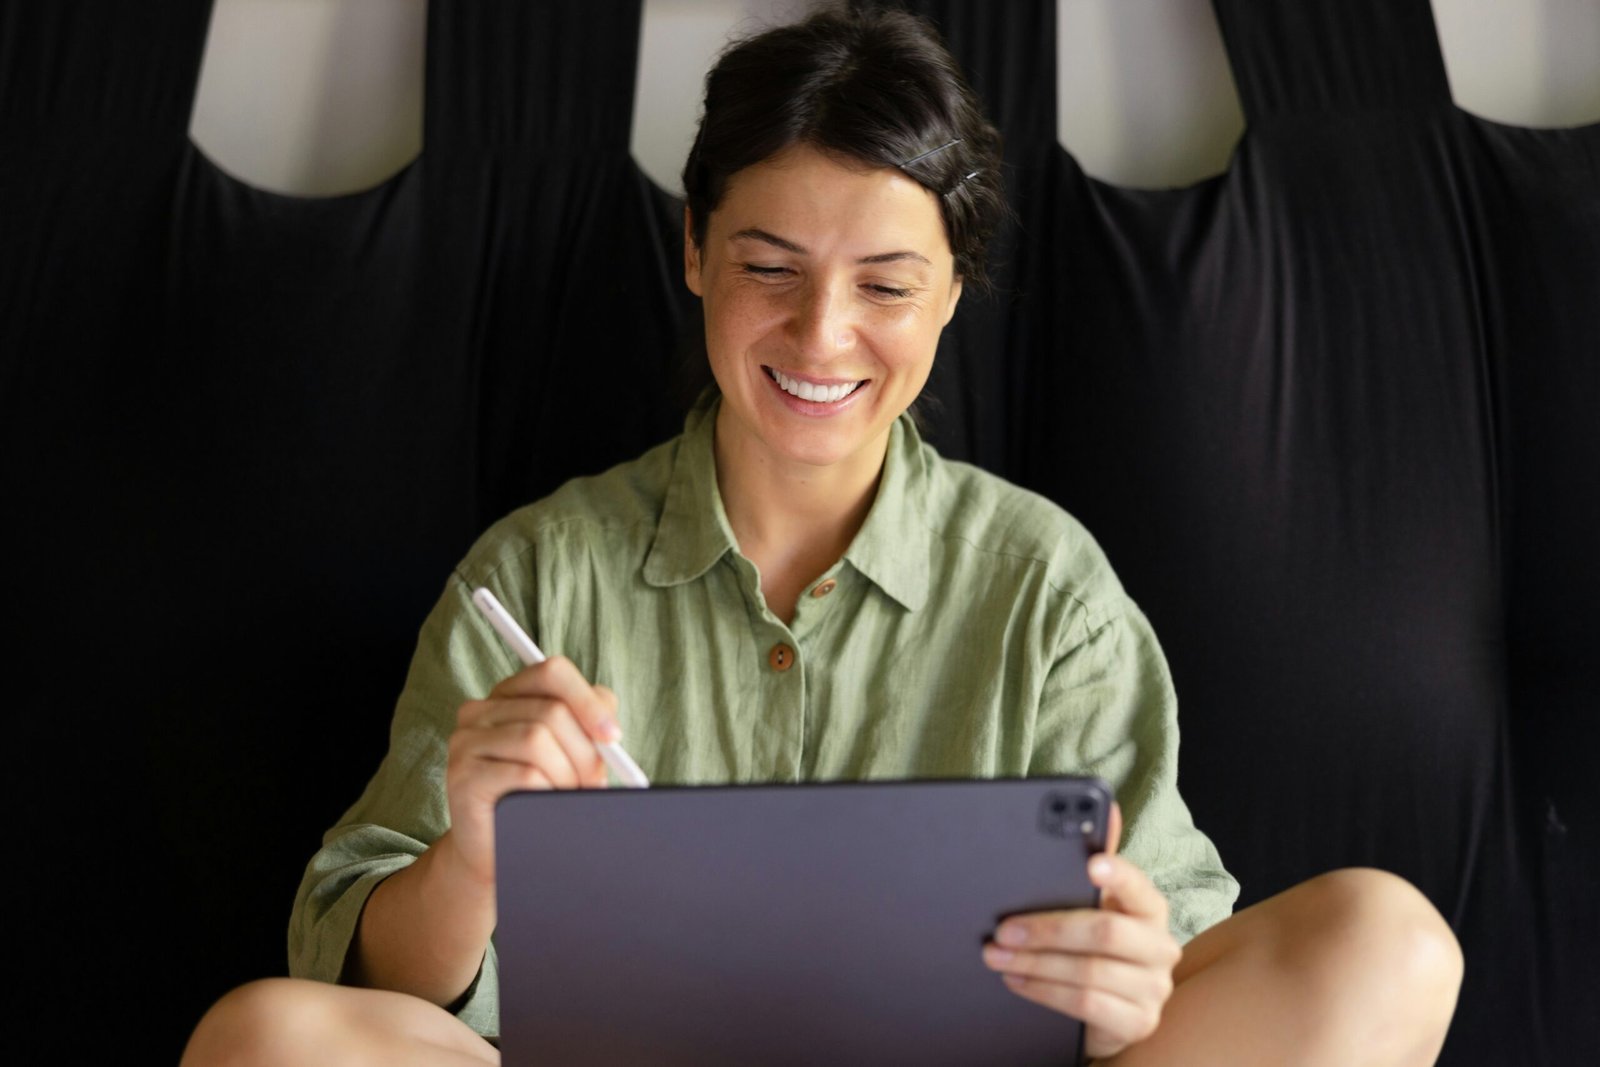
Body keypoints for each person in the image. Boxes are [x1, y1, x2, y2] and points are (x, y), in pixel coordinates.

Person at [182, 10, 1462, 1066]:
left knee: (1386, 941)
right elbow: (364, 980)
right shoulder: (538, 573)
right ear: (694, 248)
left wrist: (1130, 982)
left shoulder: (1046, 591)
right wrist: (474, 852)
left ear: (952, 290)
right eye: (770, 267)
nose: (820, 335)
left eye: (886, 284)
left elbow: (1171, 960)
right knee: (266, 1035)